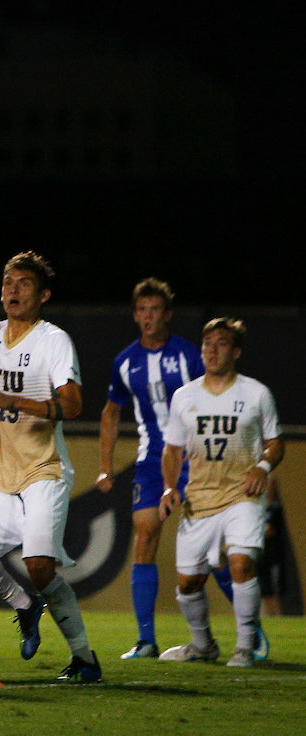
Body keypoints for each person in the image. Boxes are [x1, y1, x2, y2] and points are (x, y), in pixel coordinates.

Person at [0, 251, 103, 683]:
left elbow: (73, 404)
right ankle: (24, 606)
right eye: (8, 282)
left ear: (43, 295)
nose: (12, 290)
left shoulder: (53, 340)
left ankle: (84, 657)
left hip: (41, 469)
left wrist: (13, 401)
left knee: (40, 566)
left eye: (23, 284)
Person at [95, 278, 250, 660]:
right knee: (145, 531)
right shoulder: (126, 361)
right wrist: (105, 467)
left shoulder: (188, 354)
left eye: (155, 309)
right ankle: (146, 640)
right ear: (135, 315)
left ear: (167, 314)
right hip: (151, 459)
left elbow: (216, 391)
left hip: (197, 458)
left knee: (212, 553)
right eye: (142, 310)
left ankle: (250, 633)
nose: (148, 317)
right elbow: (111, 412)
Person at [157, 318, 283, 668]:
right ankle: (202, 645)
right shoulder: (185, 396)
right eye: (207, 343)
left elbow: (275, 444)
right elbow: (172, 450)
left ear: (236, 351)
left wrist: (262, 467)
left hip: (243, 493)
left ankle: (245, 646)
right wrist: (170, 486)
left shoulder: (256, 393)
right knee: (188, 582)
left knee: (241, 562)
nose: (212, 350)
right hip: (200, 498)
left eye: (221, 343)